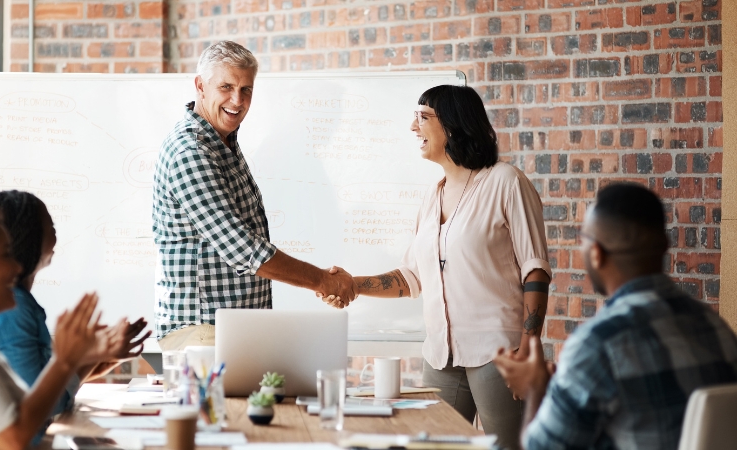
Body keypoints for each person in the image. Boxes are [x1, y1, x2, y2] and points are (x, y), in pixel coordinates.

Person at [324, 85, 551, 449]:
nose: (414, 128)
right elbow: (410, 277)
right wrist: (353, 284)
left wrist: (530, 344)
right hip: (440, 357)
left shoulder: (505, 182)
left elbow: (535, 269)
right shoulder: (432, 196)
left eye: (422, 117)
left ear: (454, 124)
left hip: (500, 354)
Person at [493, 183, 737, 450]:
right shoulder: (718, 330)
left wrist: (536, 390)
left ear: (596, 254)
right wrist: (565, 392)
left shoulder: (597, 345)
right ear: (664, 245)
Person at [152, 40, 356, 350]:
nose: (237, 100)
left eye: (246, 89)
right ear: (200, 86)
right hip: (204, 332)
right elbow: (241, 247)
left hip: (229, 328)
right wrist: (324, 282)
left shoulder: (223, 142)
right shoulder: (191, 151)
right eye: (226, 87)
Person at [0, 190, 151, 445]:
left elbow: (52, 394)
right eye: (49, 223)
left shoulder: (20, 304)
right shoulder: (14, 309)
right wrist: (83, 357)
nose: (55, 230)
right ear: (29, 235)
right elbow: (42, 404)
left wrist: (95, 357)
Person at [0, 196, 101, 449]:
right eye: (5, 255)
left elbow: (30, 415)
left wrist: (76, 359)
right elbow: (13, 438)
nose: (16, 266)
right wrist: (64, 360)